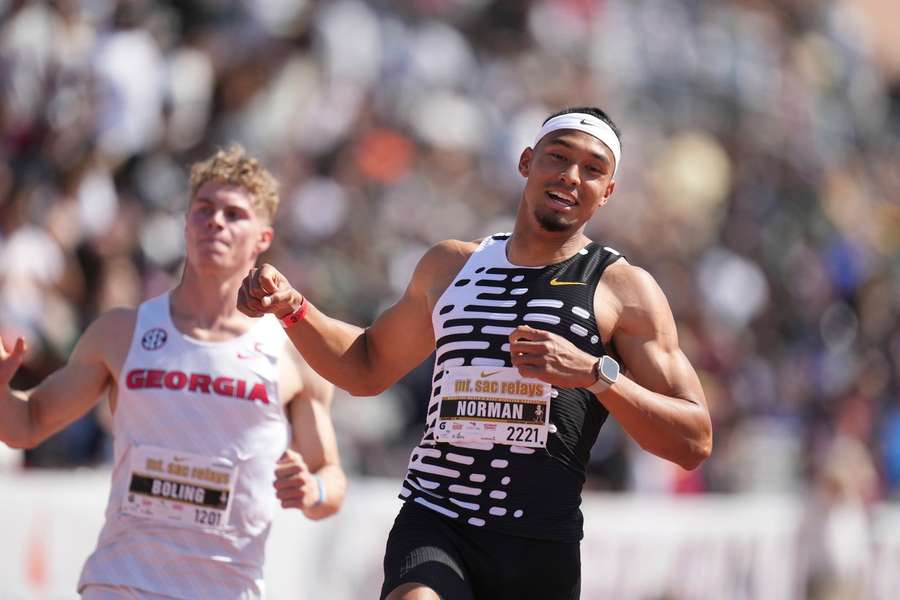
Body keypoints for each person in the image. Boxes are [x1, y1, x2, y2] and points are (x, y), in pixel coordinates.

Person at [238, 107, 712, 600]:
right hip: (437, 518)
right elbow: (366, 366)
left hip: (538, 543)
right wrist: (293, 308)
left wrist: (596, 375)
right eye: (557, 157)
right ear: (527, 162)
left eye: (592, 169)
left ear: (608, 191)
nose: (571, 177)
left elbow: (693, 440)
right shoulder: (451, 266)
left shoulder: (622, 289)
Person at [0, 145, 346, 599]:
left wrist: (313, 489)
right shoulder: (121, 332)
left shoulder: (293, 352)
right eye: (204, 209)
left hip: (226, 588)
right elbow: (26, 425)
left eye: (234, 214)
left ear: (263, 238)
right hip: (120, 583)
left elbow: (332, 478)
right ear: (186, 223)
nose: (216, 222)